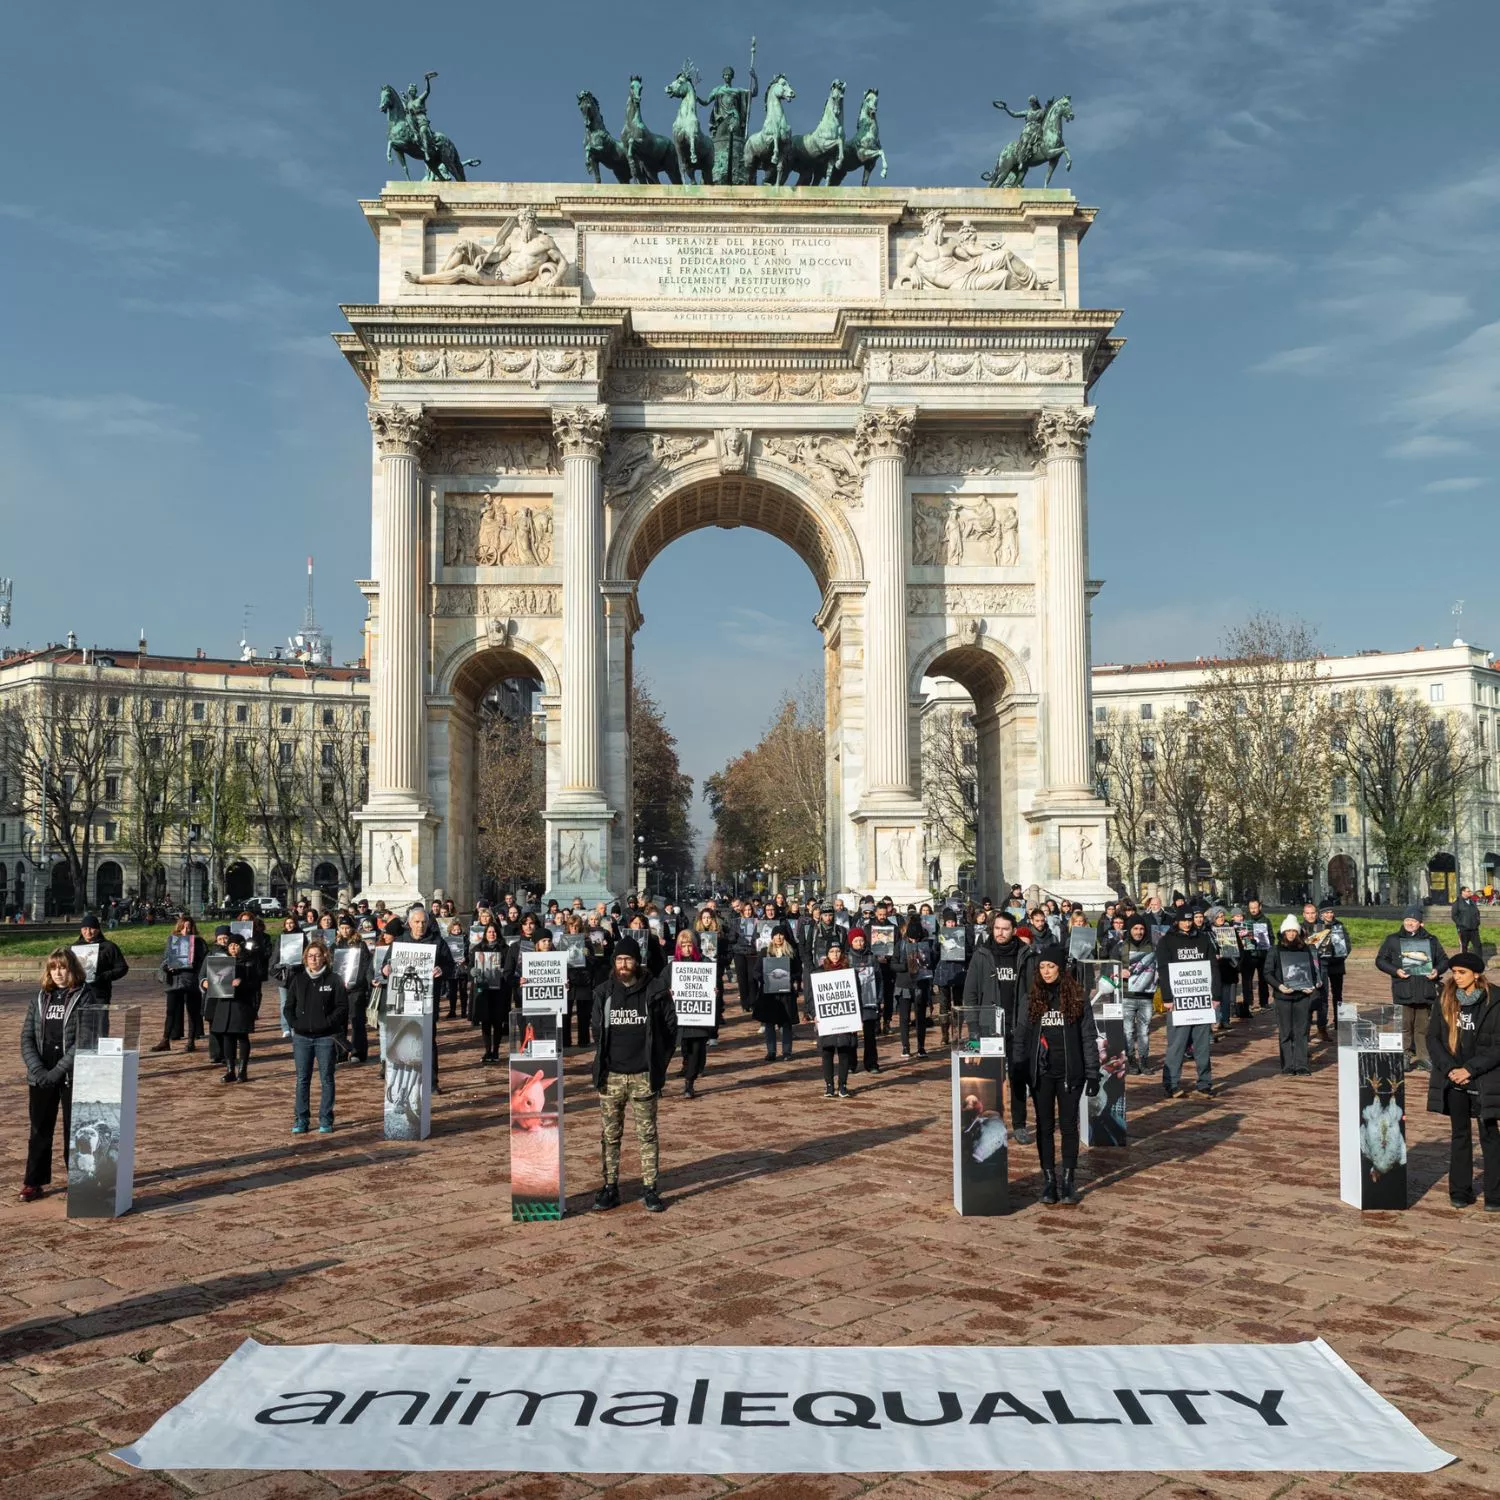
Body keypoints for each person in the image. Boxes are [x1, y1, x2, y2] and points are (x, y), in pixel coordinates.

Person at [590, 937, 675, 1213]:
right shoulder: (604, 992)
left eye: (628, 959)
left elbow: (671, 1029)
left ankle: (650, 1188)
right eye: (619, 960)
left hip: (643, 1076)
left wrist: (658, 1065)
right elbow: (597, 1031)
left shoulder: (655, 990)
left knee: (647, 1134)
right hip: (612, 1076)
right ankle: (610, 1186)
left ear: (637, 961)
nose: (623, 964)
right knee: (610, 1135)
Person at [1013, 945, 1101, 1206]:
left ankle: (1069, 1180)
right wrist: (1018, 1071)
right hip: (1042, 1073)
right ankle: (1049, 1179)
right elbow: (1021, 1038)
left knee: (1068, 1125)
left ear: (1061, 968)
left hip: (1070, 1073)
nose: (1046, 971)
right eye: (1042, 967)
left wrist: (1093, 1073)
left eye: (1051, 966)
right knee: (1044, 1126)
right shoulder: (1032, 999)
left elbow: (1088, 1037)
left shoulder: (1077, 998)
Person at [1427, 952, 1500, 1209]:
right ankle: (1459, 1192)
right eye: (1454, 972)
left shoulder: (1495, 999)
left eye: (1461, 973)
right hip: (1453, 1076)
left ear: (1476, 974)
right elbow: (1433, 1038)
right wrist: (1450, 1069)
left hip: (1485, 1078)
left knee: (1489, 1135)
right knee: (1460, 1134)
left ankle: (1495, 1196)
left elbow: (1498, 1046)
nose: (1456, 977)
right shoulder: (1445, 997)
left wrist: (1470, 1069)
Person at [20, 949, 93, 1201]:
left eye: (63, 968)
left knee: (75, 1131)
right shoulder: (39, 999)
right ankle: (34, 1181)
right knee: (39, 1130)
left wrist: (58, 1071)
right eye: (54, 968)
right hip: (41, 1073)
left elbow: (85, 1039)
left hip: (72, 1073)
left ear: (72, 969)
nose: (59, 973)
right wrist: (38, 1069)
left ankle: (79, 1180)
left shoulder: (85, 997)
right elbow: (27, 1037)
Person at [962, 912, 1037, 1143]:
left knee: (1018, 1076)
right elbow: (971, 993)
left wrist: (1029, 1020)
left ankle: (1020, 1124)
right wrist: (974, 1028)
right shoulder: (982, 955)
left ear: (1014, 930)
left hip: (1018, 1026)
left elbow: (1034, 991)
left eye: (1005, 929)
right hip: (989, 1027)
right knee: (992, 1078)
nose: (1000, 933)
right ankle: (993, 1126)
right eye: (997, 928)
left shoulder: (1026, 955)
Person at [284, 940, 349, 1135]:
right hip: (302, 1037)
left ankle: (326, 1118)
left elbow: (342, 1007)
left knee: (327, 1078)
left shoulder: (333, 979)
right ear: (305, 958)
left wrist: (327, 1022)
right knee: (302, 1079)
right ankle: (301, 1119)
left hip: (325, 1038)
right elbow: (288, 1007)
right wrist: (296, 1024)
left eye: (317, 955)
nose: (314, 959)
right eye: (310, 956)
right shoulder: (298, 980)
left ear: (325, 958)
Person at [1155, 905, 1218, 1100]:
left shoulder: (1203, 938)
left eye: (1190, 920)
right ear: (1177, 921)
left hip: (1201, 999)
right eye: (1184, 920)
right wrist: (1167, 998)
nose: (1188, 923)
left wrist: (1216, 996)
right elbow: (1163, 970)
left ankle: (1205, 1083)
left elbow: (1213, 967)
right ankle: (1171, 1084)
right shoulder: (1167, 941)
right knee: (1177, 1045)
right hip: (1177, 1001)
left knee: (1202, 1045)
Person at [1376, 907, 1449, 1072]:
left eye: (1414, 921)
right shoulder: (1393, 940)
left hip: (1425, 989)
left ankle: (1424, 1057)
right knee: (1405, 1026)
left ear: (1420, 923)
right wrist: (1396, 971)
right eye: (1407, 920)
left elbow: (1444, 960)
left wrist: (1437, 970)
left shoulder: (1431, 940)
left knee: (1423, 1027)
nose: (1410, 923)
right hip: (1404, 989)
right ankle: (1405, 1056)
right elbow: (1380, 960)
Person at [1265, 914, 1319, 1076]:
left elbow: (1312, 971)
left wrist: (1311, 985)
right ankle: (1288, 1065)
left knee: (1302, 1031)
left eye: (1294, 931)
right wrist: (1279, 986)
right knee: (1286, 1031)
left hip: (1302, 995)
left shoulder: (1305, 949)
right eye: (1288, 931)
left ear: (1298, 932)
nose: (1291, 934)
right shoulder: (1275, 950)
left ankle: (1302, 1064)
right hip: (1283, 996)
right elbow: (1267, 973)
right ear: (1283, 932)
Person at [206, 931, 260, 1083]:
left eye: (236, 945)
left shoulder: (249, 962)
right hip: (224, 1004)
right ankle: (230, 1070)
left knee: (242, 1037)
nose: (233, 948)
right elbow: (211, 978)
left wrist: (241, 983)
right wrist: (206, 982)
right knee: (227, 1037)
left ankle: (242, 1071)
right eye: (230, 945)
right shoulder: (220, 962)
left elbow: (255, 985)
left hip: (241, 1005)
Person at [812, 940, 857, 1099]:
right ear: (827, 954)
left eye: (838, 951)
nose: (835, 955)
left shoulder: (850, 972)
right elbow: (812, 997)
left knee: (844, 1051)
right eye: (832, 952)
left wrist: (855, 1018)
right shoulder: (818, 972)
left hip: (845, 1018)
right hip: (826, 1019)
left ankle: (843, 1085)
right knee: (827, 1052)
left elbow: (857, 995)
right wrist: (814, 1014)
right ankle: (829, 1086)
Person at [153, 916, 205, 1053]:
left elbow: (203, 962)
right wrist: (167, 967)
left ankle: (191, 1041)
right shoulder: (172, 940)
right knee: (170, 1011)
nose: (186, 930)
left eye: (189, 927)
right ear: (179, 927)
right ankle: (165, 1040)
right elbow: (165, 959)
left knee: (192, 1012)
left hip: (191, 980)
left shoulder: (198, 942)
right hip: (174, 980)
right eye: (184, 926)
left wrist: (193, 964)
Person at [670, 928, 711, 1098]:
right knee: (677, 1048)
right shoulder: (673, 965)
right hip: (678, 1015)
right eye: (683, 945)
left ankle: (689, 1083)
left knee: (696, 1048)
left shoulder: (705, 962)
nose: (687, 948)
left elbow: (715, 984)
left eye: (689, 945)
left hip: (699, 1016)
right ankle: (659, 1084)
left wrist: (715, 990)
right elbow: (660, 986)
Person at [1118, 916, 1157, 1075]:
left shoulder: (1153, 946)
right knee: (1127, 1031)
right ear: (1130, 930)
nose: (1139, 932)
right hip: (1127, 995)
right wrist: (1119, 972)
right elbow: (1109, 968)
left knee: (1144, 1031)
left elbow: (1160, 965)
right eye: (1135, 928)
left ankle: (1144, 1060)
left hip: (1146, 997)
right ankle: (1131, 1060)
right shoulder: (1121, 947)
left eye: (1141, 929)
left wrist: (1157, 975)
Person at [754, 930, 800, 1061]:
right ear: (772, 937)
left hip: (786, 993)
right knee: (769, 1023)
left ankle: (787, 1052)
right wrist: (764, 978)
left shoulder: (791, 952)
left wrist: (790, 978)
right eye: (776, 935)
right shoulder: (765, 952)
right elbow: (756, 971)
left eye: (781, 934)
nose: (779, 937)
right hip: (769, 994)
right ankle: (771, 1051)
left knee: (785, 1024)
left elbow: (798, 971)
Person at [332, 916, 373, 1063]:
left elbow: (366, 966)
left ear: (352, 929)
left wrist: (357, 982)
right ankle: (341, 1052)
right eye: (342, 928)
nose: (344, 930)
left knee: (357, 1021)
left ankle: (358, 1052)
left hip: (356, 989)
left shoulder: (360, 945)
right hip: (339, 989)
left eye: (347, 927)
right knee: (338, 1021)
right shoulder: (334, 945)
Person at [894, 913, 934, 1059]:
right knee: (904, 1018)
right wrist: (904, 966)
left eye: (916, 938)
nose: (914, 940)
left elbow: (932, 963)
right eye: (912, 938)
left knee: (920, 1017)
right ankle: (905, 1046)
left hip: (920, 984)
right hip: (904, 984)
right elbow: (893, 964)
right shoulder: (900, 945)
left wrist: (926, 962)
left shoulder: (926, 945)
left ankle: (921, 1046)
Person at [847, 926, 882, 1074]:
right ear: (851, 942)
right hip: (852, 1002)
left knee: (870, 1036)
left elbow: (879, 980)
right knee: (851, 1037)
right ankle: (850, 1064)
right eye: (856, 940)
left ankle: (871, 1063)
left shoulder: (871, 958)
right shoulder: (846, 959)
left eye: (861, 940)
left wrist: (879, 999)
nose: (859, 943)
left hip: (869, 1002)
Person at [932, 909, 969, 1048]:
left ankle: (956, 1033)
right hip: (944, 973)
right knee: (944, 1004)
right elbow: (934, 953)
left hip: (959, 971)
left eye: (953, 921)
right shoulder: (940, 933)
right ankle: (944, 1034)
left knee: (958, 1004)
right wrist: (939, 943)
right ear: (945, 922)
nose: (951, 924)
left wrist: (962, 950)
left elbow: (969, 950)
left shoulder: (961, 933)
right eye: (949, 921)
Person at [73, 914, 128, 1005]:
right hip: (78, 992)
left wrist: (103, 976)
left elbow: (122, 968)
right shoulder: (74, 947)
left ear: (98, 929)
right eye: (85, 929)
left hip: (100, 993)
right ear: (81, 930)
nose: (88, 932)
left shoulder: (109, 947)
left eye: (91, 928)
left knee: (100, 1018)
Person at [1452, 887, 1483, 959]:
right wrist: (1461, 924)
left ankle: (1480, 963)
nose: (1470, 892)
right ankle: (1465, 964)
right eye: (1468, 891)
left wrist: (1477, 921)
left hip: (1474, 928)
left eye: (1470, 891)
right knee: (1464, 946)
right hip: (1464, 929)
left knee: (1478, 946)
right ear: (1463, 892)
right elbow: (1454, 916)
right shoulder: (1457, 903)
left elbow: (1477, 912)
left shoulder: (1472, 901)